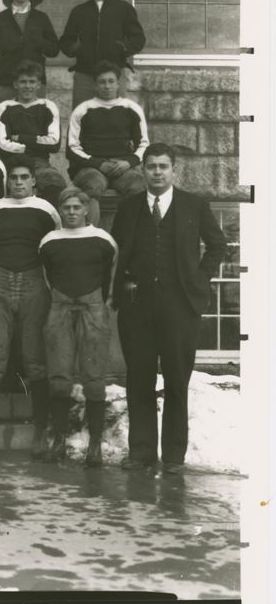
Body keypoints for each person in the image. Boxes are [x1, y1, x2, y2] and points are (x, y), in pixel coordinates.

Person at [112, 144, 226, 475]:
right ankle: (142, 453)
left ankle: (174, 457)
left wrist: (199, 279)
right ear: (143, 171)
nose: (157, 172)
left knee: (177, 381)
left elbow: (217, 245)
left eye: (163, 166)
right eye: (151, 167)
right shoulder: (129, 207)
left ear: (174, 170)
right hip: (137, 308)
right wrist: (120, 287)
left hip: (180, 307)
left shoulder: (194, 205)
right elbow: (117, 251)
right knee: (139, 380)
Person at [0, 160, 61, 461]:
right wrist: (1, 277)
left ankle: (40, 434)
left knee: (35, 362)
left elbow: (54, 246)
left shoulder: (47, 210)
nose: (19, 182)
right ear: (7, 181)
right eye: (14, 177)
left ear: (34, 182)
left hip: (34, 283)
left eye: (25, 177)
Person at [38, 187, 117, 467]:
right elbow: (47, 275)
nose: (71, 212)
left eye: (76, 207)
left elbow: (110, 277)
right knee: (59, 376)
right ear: (60, 210)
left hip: (93, 309)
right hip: (59, 308)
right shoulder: (49, 241)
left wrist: (98, 305)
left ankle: (94, 444)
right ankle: (59, 439)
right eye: (66, 207)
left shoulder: (102, 240)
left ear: (86, 210)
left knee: (94, 377)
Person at [66, 60, 149, 226]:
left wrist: (128, 163)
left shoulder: (131, 108)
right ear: (95, 85)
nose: (107, 86)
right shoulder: (83, 110)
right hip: (92, 166)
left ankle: (131, 237)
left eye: (111, 81)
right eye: (102, 82)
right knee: (92, 185)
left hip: (123, 166)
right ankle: (89, 235)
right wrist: (98, 163)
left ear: (118, 83)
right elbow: (72, 148)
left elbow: (144, 144)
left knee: (138, 185)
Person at [59, 0, 146, 107]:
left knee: (115, 119)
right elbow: (66, 41)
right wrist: (79, 49)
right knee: (83, 118)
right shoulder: (79, 11)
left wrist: (120, 48)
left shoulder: (123, 9)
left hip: (114, 76)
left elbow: (138, 39)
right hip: (85, 76)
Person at [0, 60, 67, 207]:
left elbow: (54, 143)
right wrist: (36, 142)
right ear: (15, 84)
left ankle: (51, 224)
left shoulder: (48, 107)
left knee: (54, 182)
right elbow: (2, 145)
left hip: (39, 163)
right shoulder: (3, 108)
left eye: (32, 82)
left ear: (38, 84)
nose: (27, 86)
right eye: (23, 82)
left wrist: (20, 138)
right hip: (10, 162)